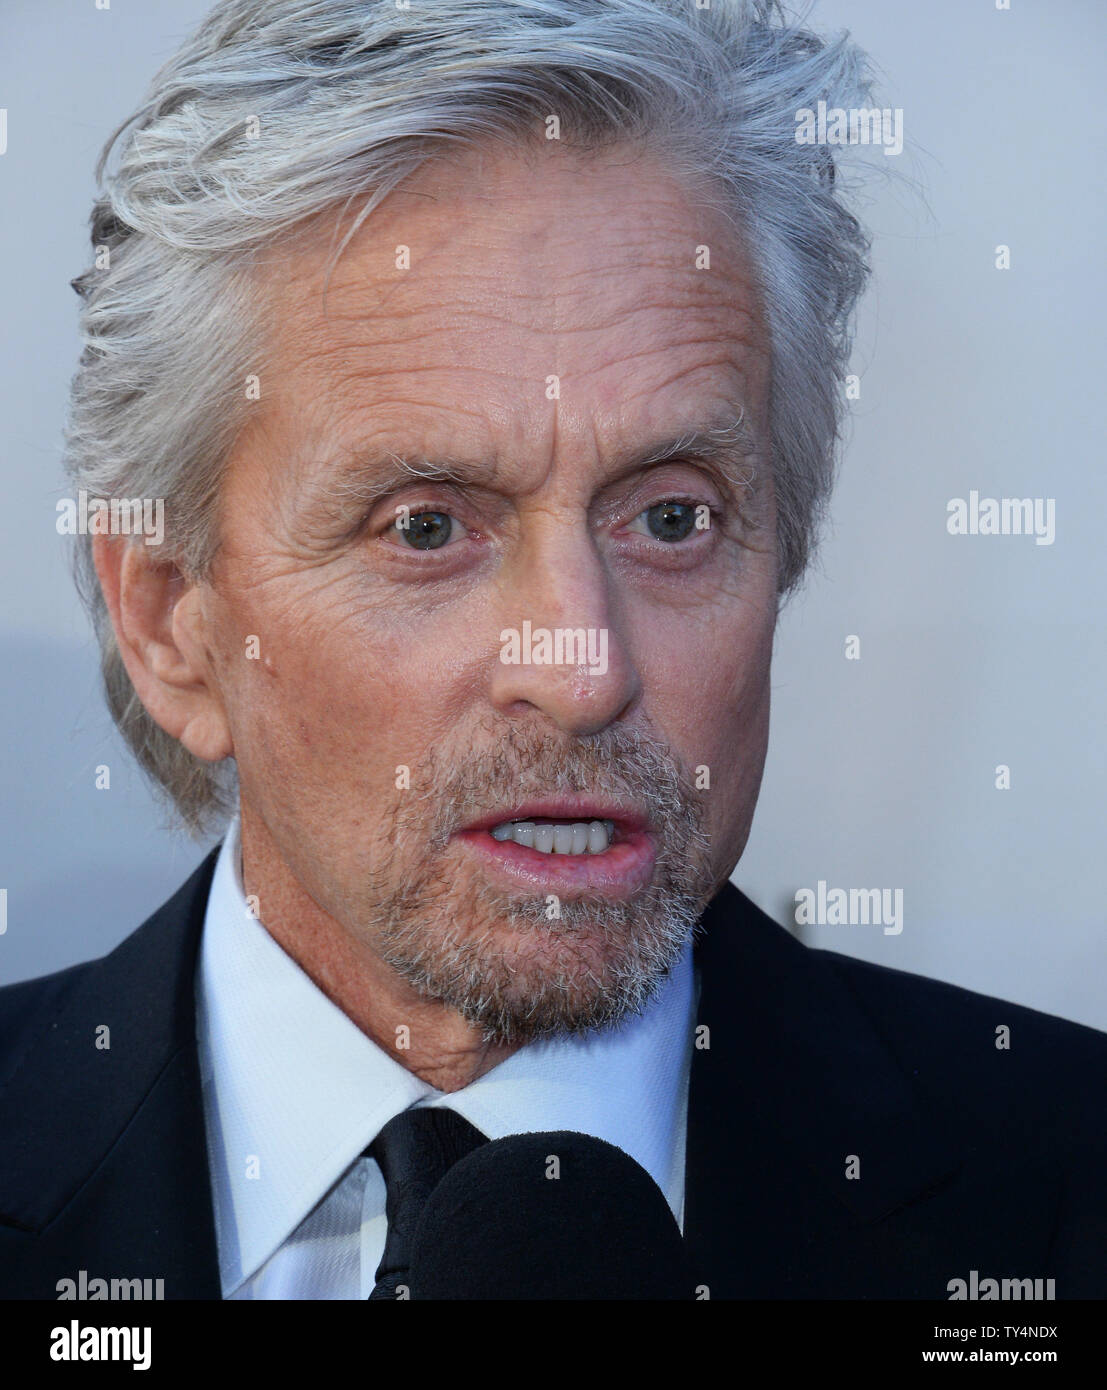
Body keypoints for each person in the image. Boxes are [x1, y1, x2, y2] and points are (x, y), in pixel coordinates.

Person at [2, 0, 1103, 1300]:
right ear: (172, 623)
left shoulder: (1066, 1189)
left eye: (673, 516)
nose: (584, 669)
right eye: (425, 526)